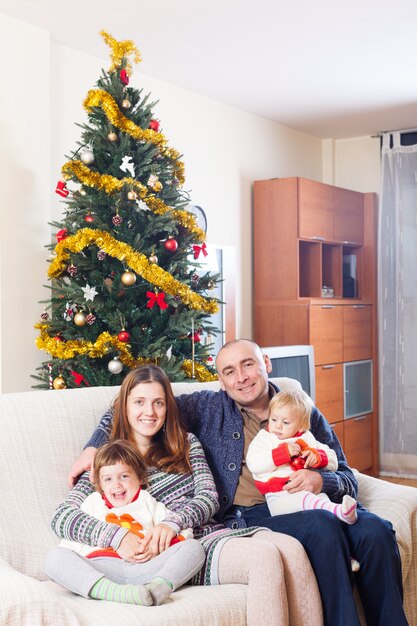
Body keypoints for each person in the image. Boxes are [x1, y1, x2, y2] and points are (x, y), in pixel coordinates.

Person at [69, 340, 407, 626]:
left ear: (266, 364)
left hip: (319, 503)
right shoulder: (206, 408)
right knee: (320, 527)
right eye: (229, 371)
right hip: (253, 514)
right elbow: (135, 405)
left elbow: (348, 477)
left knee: (376, 531)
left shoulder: (301, 410)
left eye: (248, 365)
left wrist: (321, 480)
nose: (241, 378)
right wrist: (94, 444)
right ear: (221, 380)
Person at [56, 364, 322, 625]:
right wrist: (118, 536)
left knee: (293, 549)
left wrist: (173, 523)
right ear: (124, 407)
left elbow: (208, 497)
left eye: (158, 403)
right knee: (263, 558)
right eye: (139, 402)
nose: (149, 412)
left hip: (207, 532)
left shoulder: (185, 443)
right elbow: (62, 517)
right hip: (177, 552)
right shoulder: (108, 460)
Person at [45, 439, 205, 606]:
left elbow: (182, 530)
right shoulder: (93, 503)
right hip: (102, 569)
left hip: (146, 567)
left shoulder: (147, 502)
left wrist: (159, 546)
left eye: (124, 476)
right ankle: (116, 593)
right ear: (99, 484)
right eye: (108, 479)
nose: (117, 485)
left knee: (194, 547)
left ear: (140, 478)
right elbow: (72, 542)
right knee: (55, 558)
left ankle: (158, 587)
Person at [246, 389, 358, 524]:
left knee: (322, 500)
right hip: (279, 497)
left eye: (286, 422)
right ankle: (337, 511)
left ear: (301, 426)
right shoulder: (266, 438)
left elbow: (334, 460)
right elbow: (254, 463)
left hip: (309, 491)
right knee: (308, 500)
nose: (278, 426)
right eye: (273, 419)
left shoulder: (306, 438)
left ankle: (342, 514)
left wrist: (318, 457)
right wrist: (282, 454)